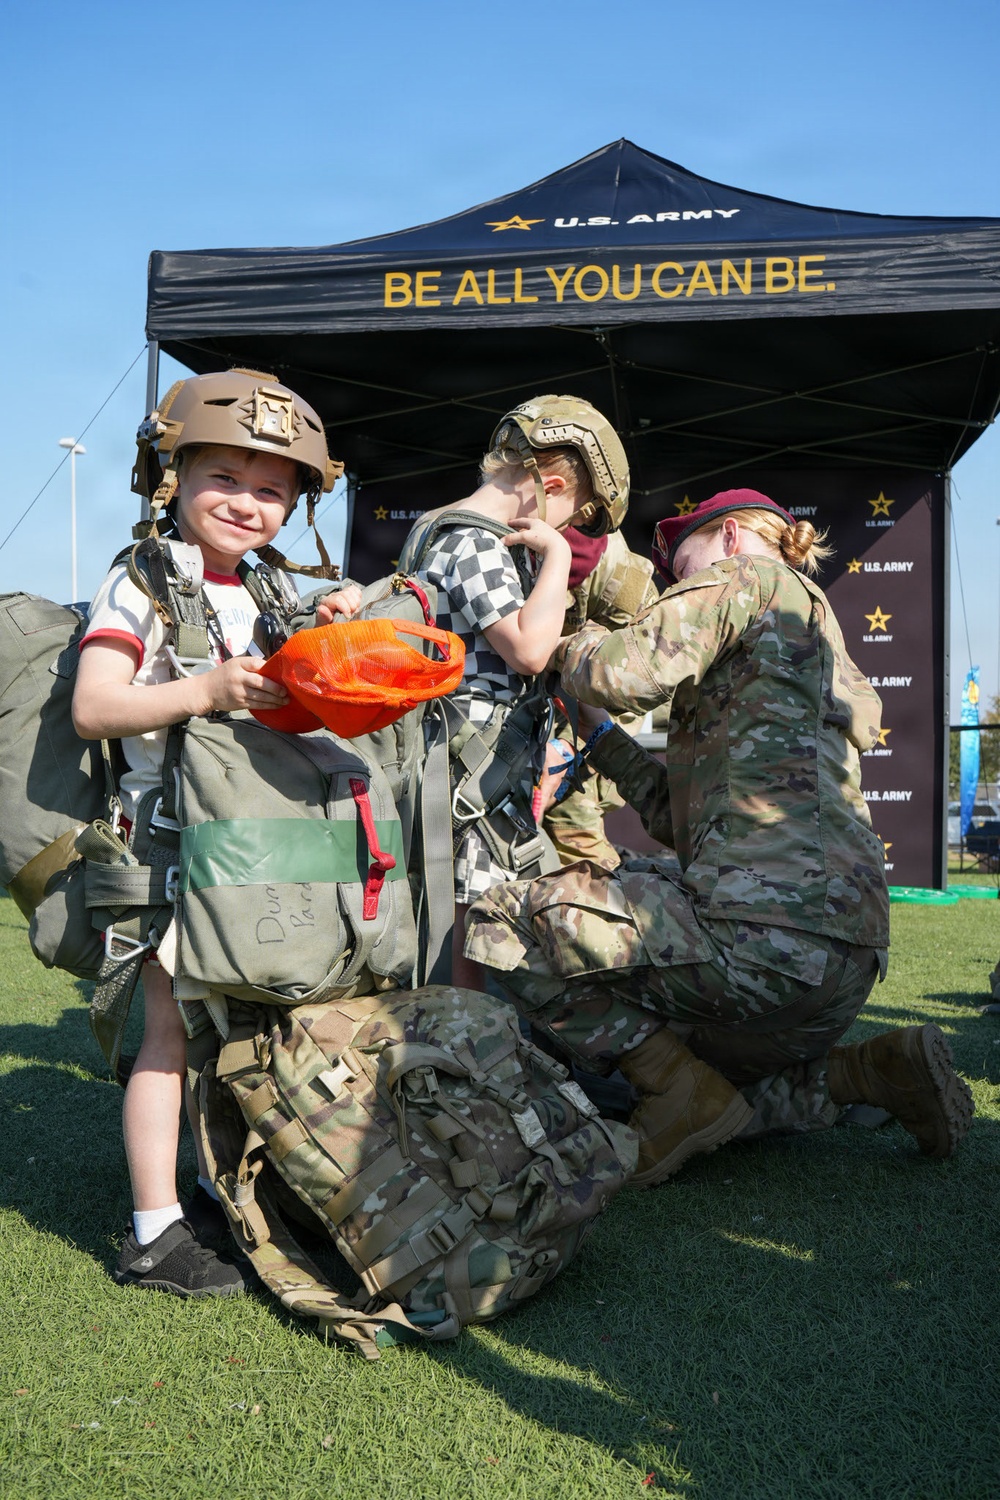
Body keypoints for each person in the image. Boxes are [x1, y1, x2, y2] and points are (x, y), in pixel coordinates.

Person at [465, 488, 974, 1184]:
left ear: (730, 536)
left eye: (683, 562)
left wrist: (552, 642)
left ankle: (676, 1096)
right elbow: (687, 824)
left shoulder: (746, 576)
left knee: (504, 922)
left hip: (762, 950)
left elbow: (620, 668)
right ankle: (868, 1073)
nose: (677, 581)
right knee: (719, 1085)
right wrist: (600, 738)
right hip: (844, 968)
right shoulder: (810, 635)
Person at [73, 368, 358, 1296]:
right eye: (224, 477)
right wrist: (202, 689)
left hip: (250, 850)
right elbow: (95, 706)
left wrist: (327, 631)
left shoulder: (274, 590)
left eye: (272, 488)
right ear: (173, 479)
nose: (247, 502)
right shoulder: (142, 580)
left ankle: (222, 1192)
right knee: (167, 1034)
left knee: (237, 1031)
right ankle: (154, 1232)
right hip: (166, 846)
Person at [397, 394, 630, 988]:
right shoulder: (474, 542)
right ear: (549, 486)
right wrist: (554, 558)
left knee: (471, 925)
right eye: (574, 518)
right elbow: (528, 649)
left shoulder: (438, 531)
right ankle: (457, 1056)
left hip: (469, 773)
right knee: (466, 936)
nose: (570, 531)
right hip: (465, 779)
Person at [543, 526, 660, 869]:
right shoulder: (485, 555)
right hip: (507, 710)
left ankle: (599, 906)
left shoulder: (622, 581)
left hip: (584, 705)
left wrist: (565, 749)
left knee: (572, 819)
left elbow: (632, 688)